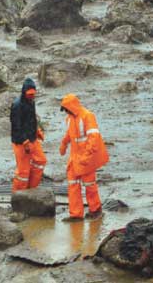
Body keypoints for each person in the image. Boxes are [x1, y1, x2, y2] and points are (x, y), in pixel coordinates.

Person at [59, 93, 109, 221]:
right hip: (75, 157)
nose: (66, 112)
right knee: (73, 184)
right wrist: (64, 143)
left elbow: (94, 138)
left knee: (89, 184)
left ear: (72, 107)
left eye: (66, 109)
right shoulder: (69, 118)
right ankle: (76, 215)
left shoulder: (87, 116)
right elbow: (69, 133)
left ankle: (95, 210)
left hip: (86, 157)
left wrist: (86, 157)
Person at [11, 78, 47, 192]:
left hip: (32, 138)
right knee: (23, 173)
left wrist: (36, 130)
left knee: (41, 160)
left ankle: (31, 190)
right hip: (20, 143)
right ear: (24, 92)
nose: (31, 96)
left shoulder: (31, 102)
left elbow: (32, 119)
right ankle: (18, 196)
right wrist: (24, 141)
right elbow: (16, 126)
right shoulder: (17, 105)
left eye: (33, 94)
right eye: (29, 94)